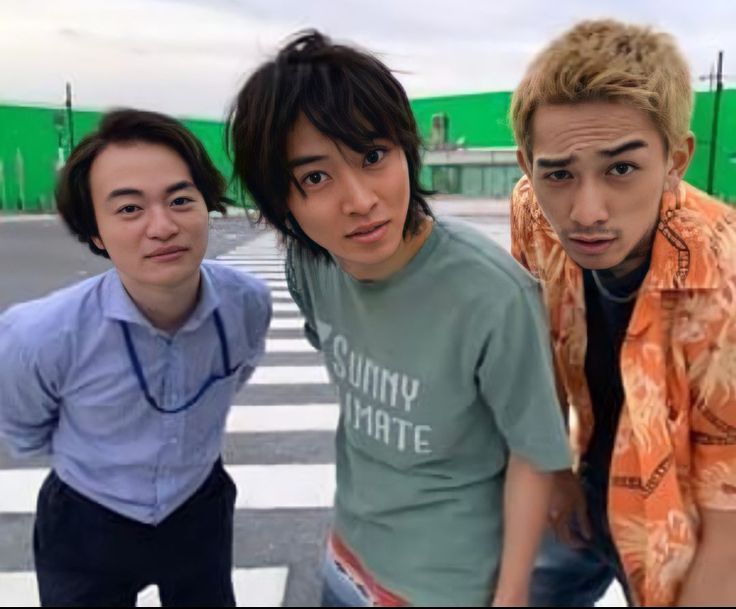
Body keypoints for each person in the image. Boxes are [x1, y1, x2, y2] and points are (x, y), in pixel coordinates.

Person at [228, 31, 571, 606]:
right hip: (347, 560)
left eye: (373, 156)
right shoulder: (312, 266)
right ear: (278, 201)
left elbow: (535, 455)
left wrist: (510, 597)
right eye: (316, 177)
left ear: (406, 151)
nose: (360, 199)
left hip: (449, 586)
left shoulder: (493, 295)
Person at [0, 109, 272, 607]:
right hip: (87, 519)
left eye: (181, 200)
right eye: (129, 209)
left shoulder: (246, 303)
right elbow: (22, 428)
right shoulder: (40, 334)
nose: (163, 226)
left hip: (198, 506)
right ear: (96, 234)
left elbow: (239, 374)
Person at [509, 18, 736, 607]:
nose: (585, 212)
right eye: (558, 173)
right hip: (584, 473)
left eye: (621, 169)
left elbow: (729, 517)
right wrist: (555, 472)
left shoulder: (725, 281)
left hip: (684, 520)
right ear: (528, 164)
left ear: (677, 159)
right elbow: (535, 344)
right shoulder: (533, 211)